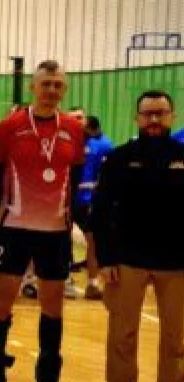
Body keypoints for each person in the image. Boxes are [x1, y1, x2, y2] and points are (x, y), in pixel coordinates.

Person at [0, 60, 85, 382]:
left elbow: (74, 176)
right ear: (33, 87)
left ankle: (48, 381)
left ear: (64, 89)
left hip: (55, 232)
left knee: (53, 306)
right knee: (3, 302)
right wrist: (9, 208)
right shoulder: (9, 127)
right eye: (46, 84)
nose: (51, 91)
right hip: (14, 228)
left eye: (58, 85)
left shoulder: (73, 129)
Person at [93, 90, 184, 382]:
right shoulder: (119, 159)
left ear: (172, 116)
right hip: (127, 261)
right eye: (148, 114)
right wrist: (105, 259)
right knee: (122, 332)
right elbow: (101, 211)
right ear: (137, 118)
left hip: (176, 262)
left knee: (176, 335)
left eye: (161, 113)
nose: (154, 120)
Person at [73, 113, 114, 301]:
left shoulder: (104, 145)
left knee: (93, 240)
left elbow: (106, 174)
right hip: (65, 199)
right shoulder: (68, 141)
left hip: (87, 200)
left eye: (79, 118)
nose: (76, 122)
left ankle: (92, 283)